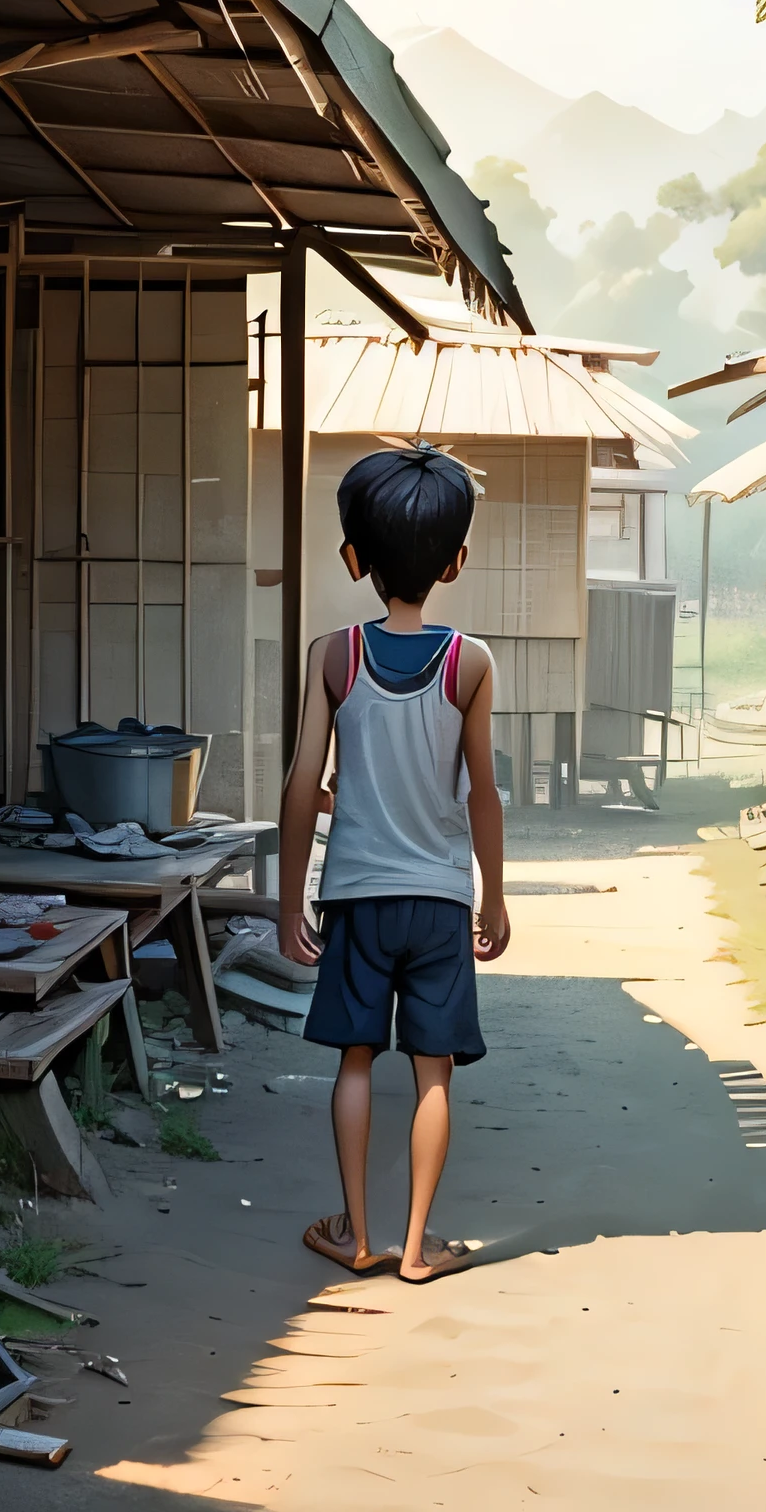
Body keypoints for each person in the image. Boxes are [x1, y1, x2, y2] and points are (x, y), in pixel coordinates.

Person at [276, 443, 509, 1284]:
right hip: (441, 900)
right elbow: (481, 792)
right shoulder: (470, 662)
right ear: (456, 561)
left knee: (355, 1062)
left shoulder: (333, 656)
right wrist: (494, 897)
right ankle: (417, 1248)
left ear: (354, 557)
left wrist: (285, 898)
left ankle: (358, 1235)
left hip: (357, 900)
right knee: (434, 1073)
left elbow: (305, 783)